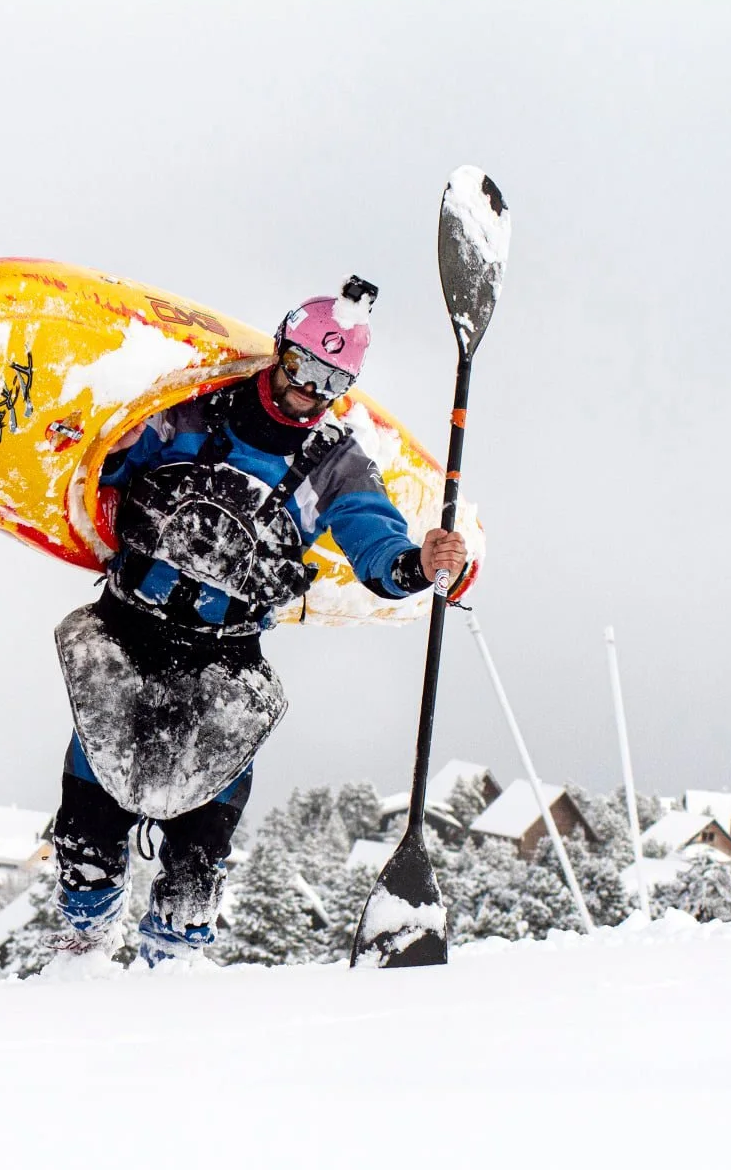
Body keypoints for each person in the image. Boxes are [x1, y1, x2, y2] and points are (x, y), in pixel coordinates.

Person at [48, 277, 468, 966]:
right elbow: (103, 465)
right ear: (281, 351)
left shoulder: (336, 464)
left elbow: (375, 545)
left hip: (224, 660)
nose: (309, 390)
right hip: (128, 631)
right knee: (89, 821)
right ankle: (79, 950)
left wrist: (416, 564)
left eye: (331, 380)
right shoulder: (190, 414)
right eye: (303, 367)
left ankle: (174, 964)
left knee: (201, 842)